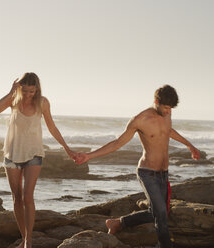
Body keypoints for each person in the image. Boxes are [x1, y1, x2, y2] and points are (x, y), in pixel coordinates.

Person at [75, 85, 200, 248]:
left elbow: (168, 130)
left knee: (158, 212)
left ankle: (118, 223)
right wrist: (89, 156)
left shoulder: (167, 114)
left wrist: (190, 145)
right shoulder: (140, 120)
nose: (168, 111)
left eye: (170, 108)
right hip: (147, 173)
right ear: (156, 101)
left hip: (163, 174)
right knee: (161, 213)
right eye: (166, 107)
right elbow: (118, 143)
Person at [0, 72, 76, 248]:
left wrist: (67, 148)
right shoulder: (13, 100)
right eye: (25, 90)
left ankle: (28, 241)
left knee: (28, 196)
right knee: (16, 198)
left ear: (37, 89)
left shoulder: (42, 103)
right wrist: (10, 91)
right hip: (11, 154)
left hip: (34, 154)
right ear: (20, 88)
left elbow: (52, 127)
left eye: (32, 91)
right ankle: (24, 236)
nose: (28, 94)